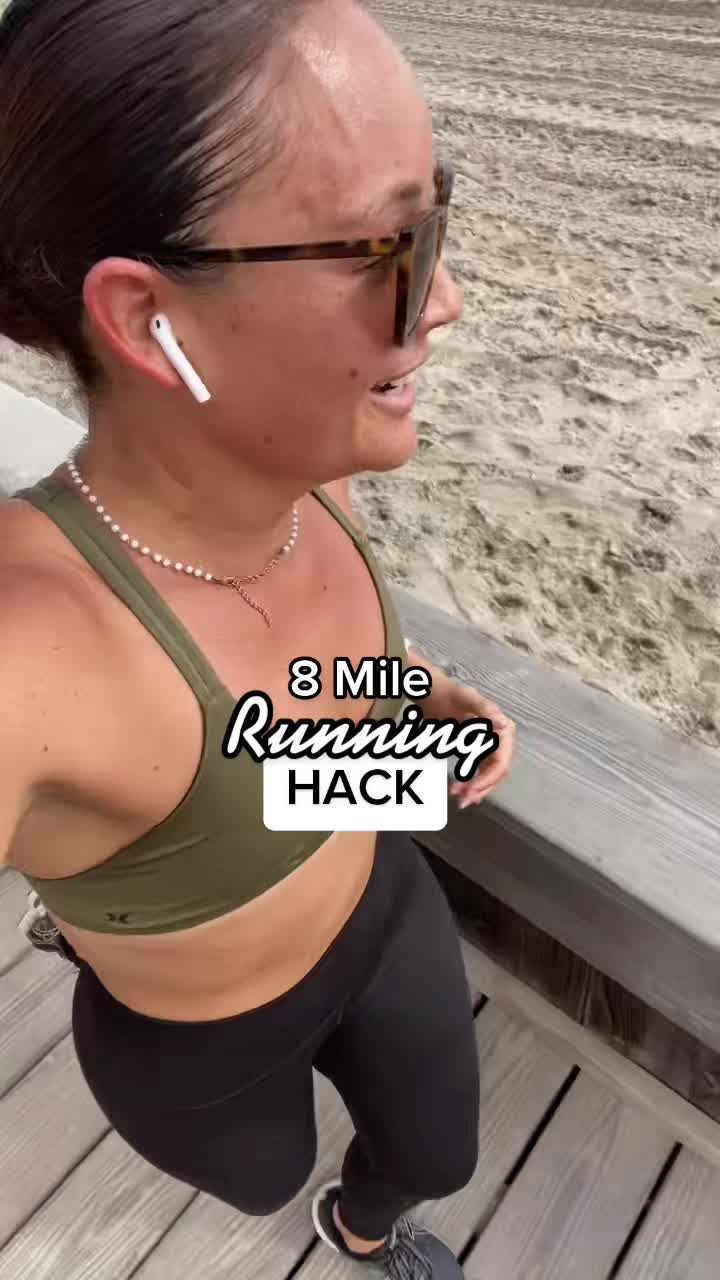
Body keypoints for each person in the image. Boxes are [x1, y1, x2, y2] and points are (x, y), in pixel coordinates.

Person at [0, 1, 516, 1275]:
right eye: (391, 245)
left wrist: (410, 698)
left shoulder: (303, 479)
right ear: (148, 319)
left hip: (378, 893)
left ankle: (361, 1228)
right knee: (259, 1173)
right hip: (195, 1031)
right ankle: (92, 906)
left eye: (440, 217)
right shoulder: (30, 648)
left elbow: (269, 717)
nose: (446, 298)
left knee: (436, 1153)